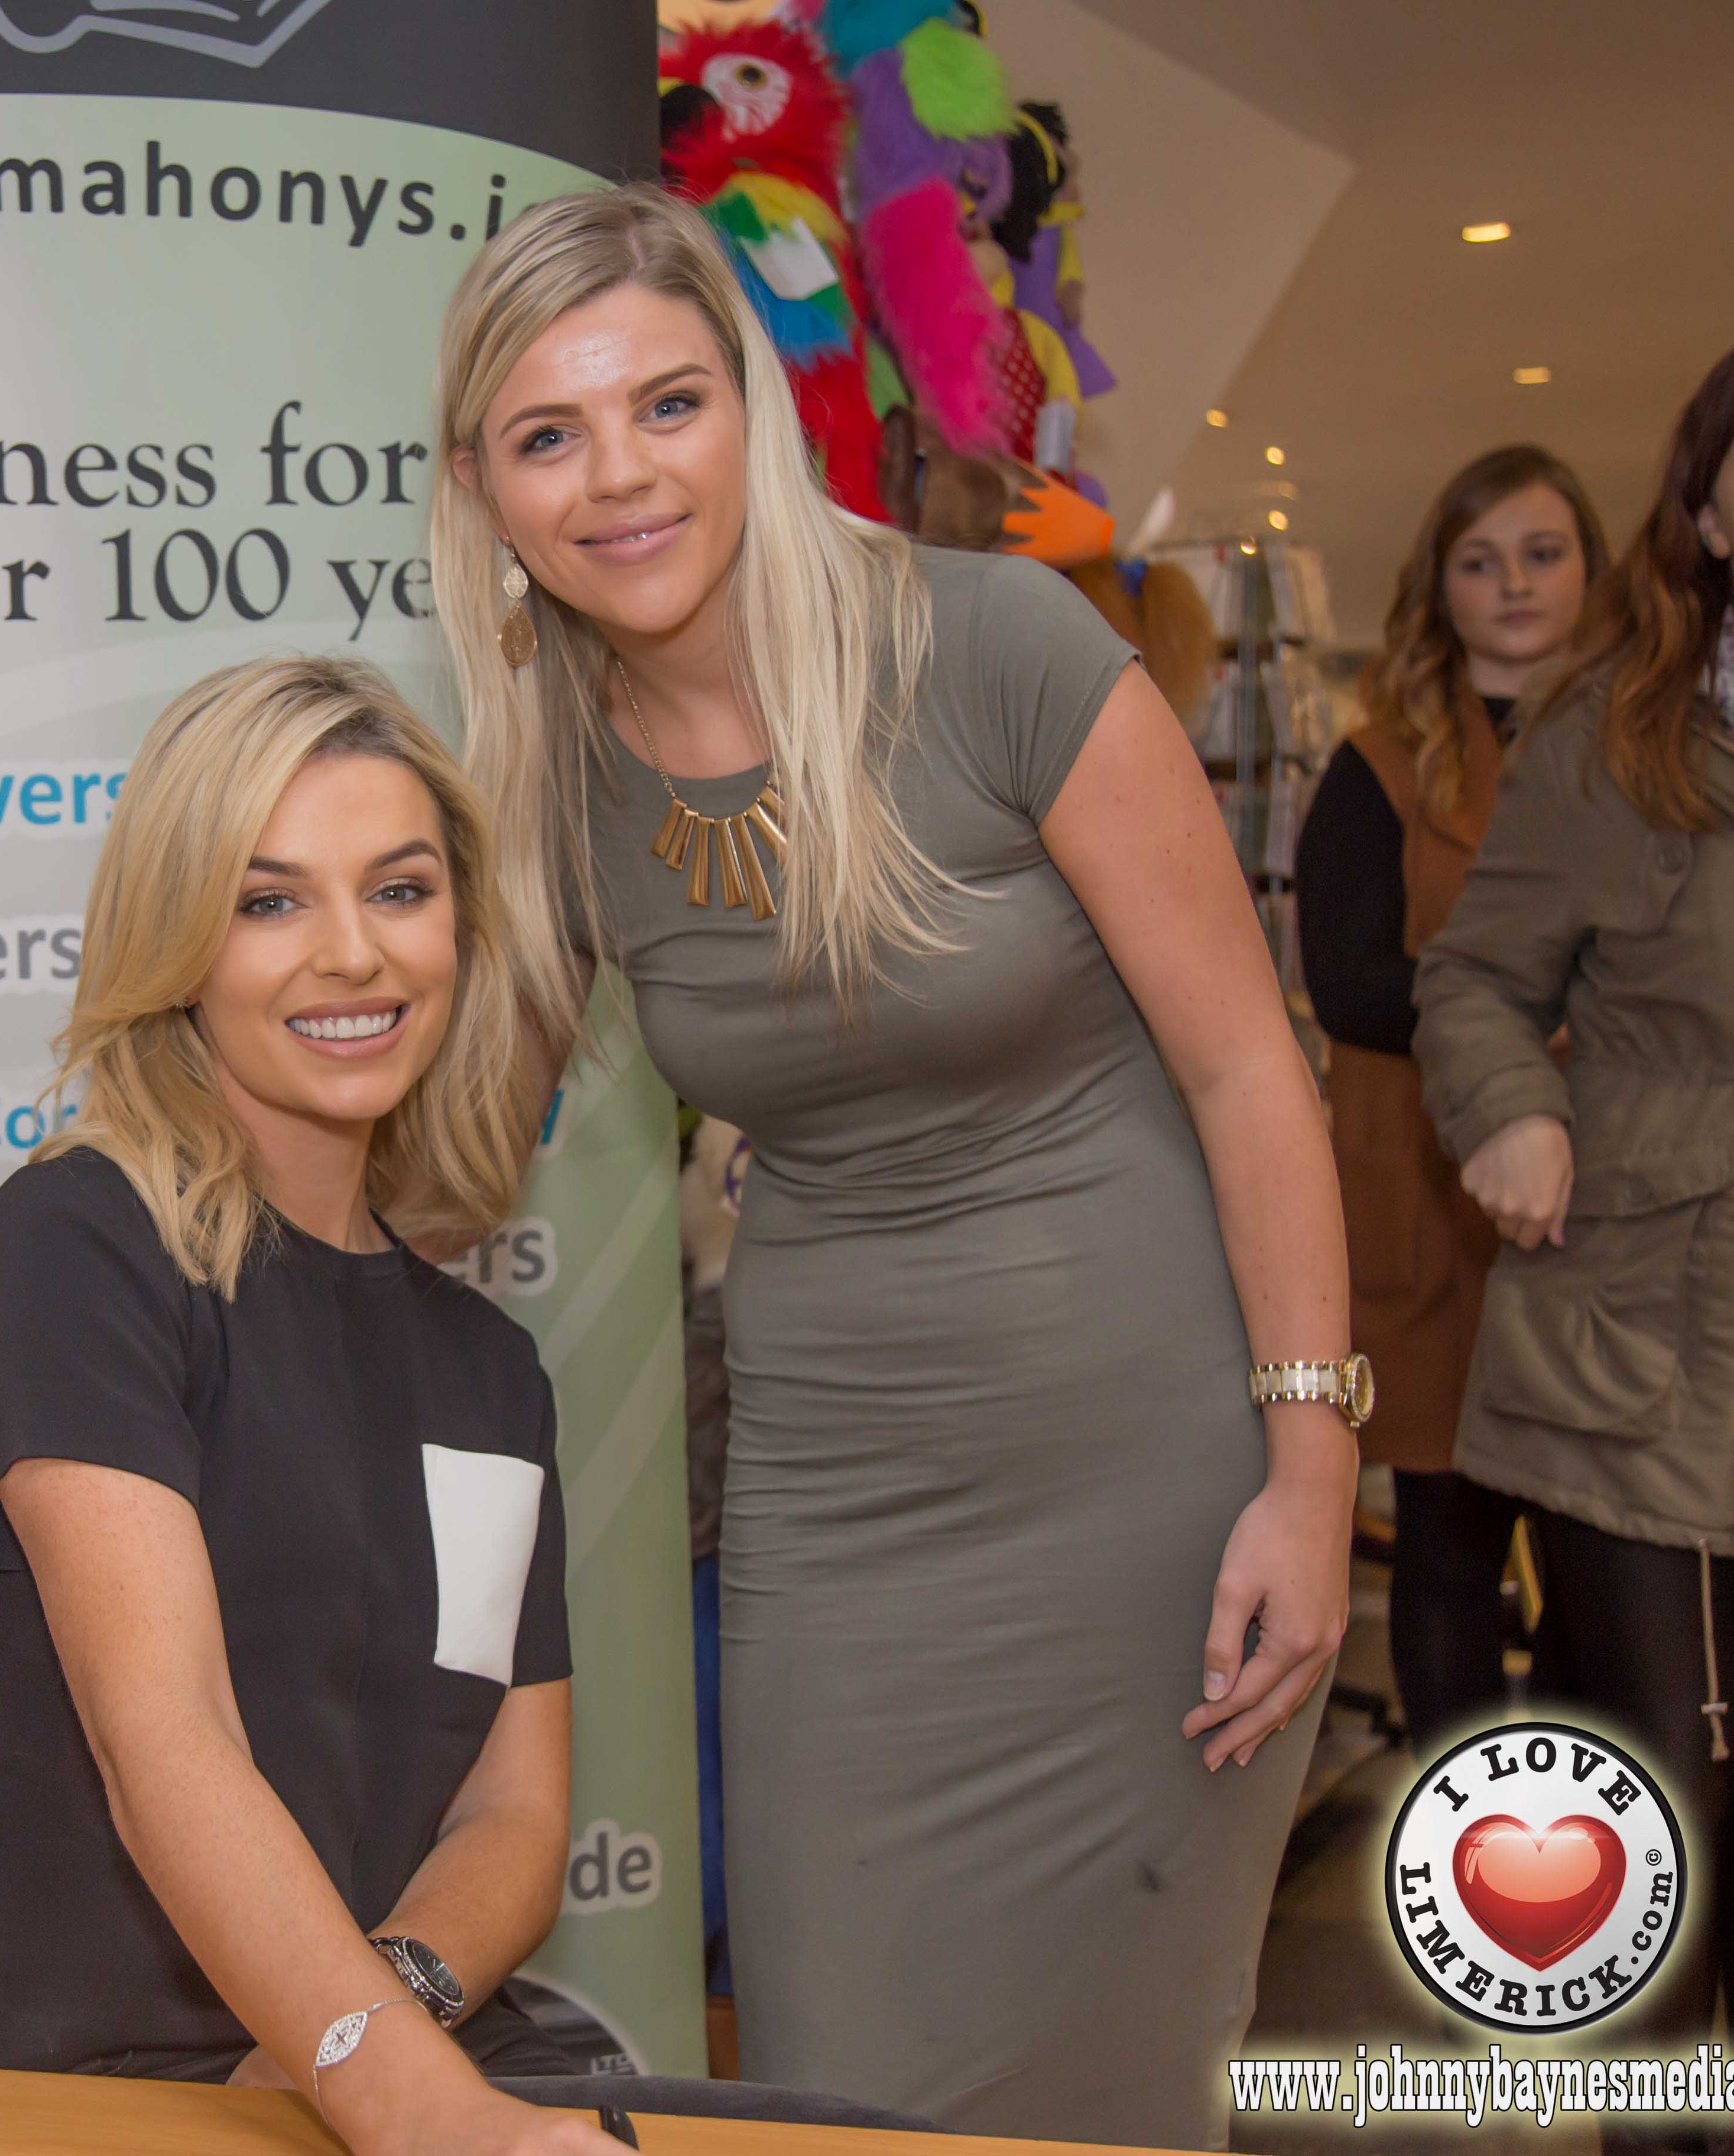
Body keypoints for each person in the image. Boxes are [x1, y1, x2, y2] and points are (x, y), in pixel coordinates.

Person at [430, 184, 1358, 2147]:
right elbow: (441, 1153)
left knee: (1125, 2079)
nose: (620, 476)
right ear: (483, 490)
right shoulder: (554, 777)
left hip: (1151, 1481)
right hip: (836, 1510)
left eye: (666, 404)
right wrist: (114, 1229)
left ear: (751, 409)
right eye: (547, 434)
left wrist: (1311, 1466)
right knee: (838, 2077)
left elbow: (1247, 1066)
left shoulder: (994, 643)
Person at [0, 656, 624, 2156]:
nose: (354, 953)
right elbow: (168, 1740)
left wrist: (369, 2025)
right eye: (270, 902)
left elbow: (514, 1819)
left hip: (365, 2069)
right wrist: (415, 2108)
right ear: (178, 944)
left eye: (400, 890)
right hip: (74, 2090)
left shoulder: (490, 1374)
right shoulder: (78, 1246)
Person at [1416, 317, 1734, 2152]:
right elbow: (1472, 982)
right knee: (1669, 1812)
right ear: (1703, 515)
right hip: (1643, 1354)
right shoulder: (1617, 742)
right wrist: (1512, 1109)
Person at [1294, 446, 1607, 1751]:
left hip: (1609, 1209)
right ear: (1441, 588)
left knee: (1604, 1556)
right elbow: (1348, 984)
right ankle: (1469, 1822)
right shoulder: (1380, 767)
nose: (1515, 584)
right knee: (1448, 1541)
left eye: (1541, 553)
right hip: (1431, 1198)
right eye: (1481, 562)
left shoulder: (1653, 754)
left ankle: (1598, 1822)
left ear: (1592, 571)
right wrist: (1547, 1011)